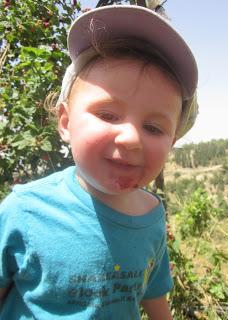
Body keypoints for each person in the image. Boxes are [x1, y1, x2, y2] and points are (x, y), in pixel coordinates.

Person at [0, 5, 198, 319]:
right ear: (65, 122)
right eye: (107, 115)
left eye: (153, 128)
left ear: (171, 143)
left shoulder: (152, 216)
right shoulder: (24, 211)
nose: (131, 138)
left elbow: (154, 297)